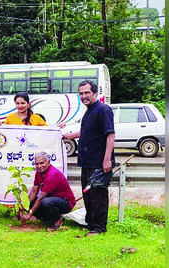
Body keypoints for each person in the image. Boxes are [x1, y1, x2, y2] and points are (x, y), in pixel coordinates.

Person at [63, 80, 115, 236]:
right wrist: (70, 136)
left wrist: (106, 160)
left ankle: (99, 228)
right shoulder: (89, 111)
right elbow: (86, 131)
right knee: (88, 194)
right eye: (81, 93)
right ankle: (91, 224)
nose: (84, 96)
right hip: (86, 161)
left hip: (98, 163)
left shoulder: (103, 110)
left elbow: (110, 135)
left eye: (87, 92)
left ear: (95, 93)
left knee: (98, 195)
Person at [20, 152, 76, 231]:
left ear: (48, 163)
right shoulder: (39, 172)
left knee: (46, 202)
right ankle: (48, 219)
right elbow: (33, 192)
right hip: (52, 200)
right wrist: (24, 208)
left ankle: (57, 221)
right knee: (31, 203)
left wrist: (29, 214)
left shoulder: (53, 174)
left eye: (42, 163)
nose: (39, 166)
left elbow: (40, 198)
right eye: (37, 164)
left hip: (66, 203)